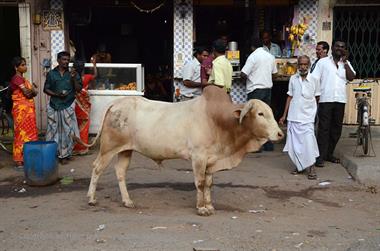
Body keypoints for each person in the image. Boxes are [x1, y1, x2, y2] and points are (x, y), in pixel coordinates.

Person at [311, 39, 356, 167]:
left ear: (345, 49)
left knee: (336, 129)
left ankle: (329, 154)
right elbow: (314, 79)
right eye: (337, 46)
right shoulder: (323, 62)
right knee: (324, 129)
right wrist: (316, 95)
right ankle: (319, 156)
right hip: (325, 100)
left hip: (340, 100)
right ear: (332, 48)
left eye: (342, 47)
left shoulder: (346, 63)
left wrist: (346, 62)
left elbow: (351, 77)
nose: (339, 48)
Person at [279, 56, 320, 179]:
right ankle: (299, 166)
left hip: (308, 117)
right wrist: (284, 115)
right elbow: (289, 97)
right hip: (294, 115)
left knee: (309, 142)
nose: (302, 67)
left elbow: (317, 98)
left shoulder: (315, 79)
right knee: (295, 144)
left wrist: (315, 115)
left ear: (309, 65)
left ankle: (312, 168)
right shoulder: (293, 78)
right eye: (300, 64)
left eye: (305, 64)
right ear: (297, 65)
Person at [44, 51, 82, 164]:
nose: (66, 62)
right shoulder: (51, 74)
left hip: (68, 105)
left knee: (68, 131)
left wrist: (74, 78)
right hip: (54, 105)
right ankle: (54, 154)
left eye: (67, 60)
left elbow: (79, 89)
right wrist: (57, 95)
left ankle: (65, 154)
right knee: (53, 131)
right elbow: (45, 89)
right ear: (58, 60)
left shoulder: (72, 74)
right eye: (64, 59)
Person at [241, 38, 277, 151]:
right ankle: (268, 145)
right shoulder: (270, 56)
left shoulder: (253, 56)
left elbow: (243, 73)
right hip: (267, 90)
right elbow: (275, 74)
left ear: (252, 47)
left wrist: (247, 79)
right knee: (266, 118)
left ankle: (256, 146)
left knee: (254, 119)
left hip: (256, 91)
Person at [10, 57, 38, 170]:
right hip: (21, 112)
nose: (25, 67)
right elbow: (28, 93)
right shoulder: (17, 79)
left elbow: (32, 93)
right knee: (21, 134)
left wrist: (32, 91)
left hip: (28, 111)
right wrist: (32, 90)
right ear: (16, 67)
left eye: (25, 64)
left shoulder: (23, 79)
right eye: (22, 65)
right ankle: (18, 159)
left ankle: (27, 157)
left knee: (30, 133)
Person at [73, 58, 97, 155]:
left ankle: (76, 147)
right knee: (85, 123)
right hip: (84, 103)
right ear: (83, 68)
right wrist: (94, 65)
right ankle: (82, 147)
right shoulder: (87, 77)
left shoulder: (73, 77)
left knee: (76, 124)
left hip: (76, 104)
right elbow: (95, 75)